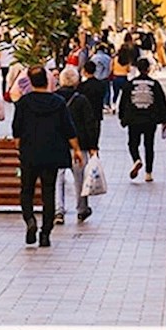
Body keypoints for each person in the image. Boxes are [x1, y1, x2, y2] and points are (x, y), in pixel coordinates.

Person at [13, 66, 83, 247]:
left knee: (26, 190)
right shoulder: (58, 102)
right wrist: (76, 149)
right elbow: (68, 128)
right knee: (48, 192)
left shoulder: (23, 103)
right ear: (46, 80)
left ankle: (29, 220)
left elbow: (16, 129)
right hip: (52, 153)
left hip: (29, 152)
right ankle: (45, 233)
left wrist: (19, 145)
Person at [54, 67, 98, 226]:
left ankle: (58, 210)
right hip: (79, 146)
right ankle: (82, 208)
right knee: (80, 178)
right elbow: (89, 124)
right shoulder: (81, 100)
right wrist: (93, 146)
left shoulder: (54, 98)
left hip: (58, 145)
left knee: (58, 178)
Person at [119, 58, 166, 182]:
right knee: (149, 145)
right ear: (148, 69)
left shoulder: (131, 84)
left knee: (133, 143)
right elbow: (161, 102)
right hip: (150, 119)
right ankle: (149, 173)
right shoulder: (154, 84)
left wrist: (122, 117)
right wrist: (164, 120)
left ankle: (136, 159)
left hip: (134, 119)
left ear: (137, 68)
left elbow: (124, 102)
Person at [77, 61, 107, 146]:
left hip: (84, 116)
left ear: (84, 71)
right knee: (95, 140)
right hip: (97, 114)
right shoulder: (101, 85)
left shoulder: (81, 86)